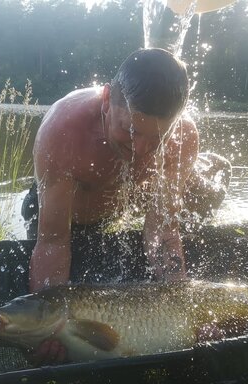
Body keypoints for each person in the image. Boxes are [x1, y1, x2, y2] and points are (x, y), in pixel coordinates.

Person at [21, 48, 230, 363]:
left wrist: (185, 307)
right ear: (107, 99)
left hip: (118, 206)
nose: (141, 149)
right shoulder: (63, 130)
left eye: (156, 138)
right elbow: (53, 242)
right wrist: (46, 328)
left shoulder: (183, 136)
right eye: (129, 131)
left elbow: (163, 231)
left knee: (201, 194)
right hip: (64, 218)